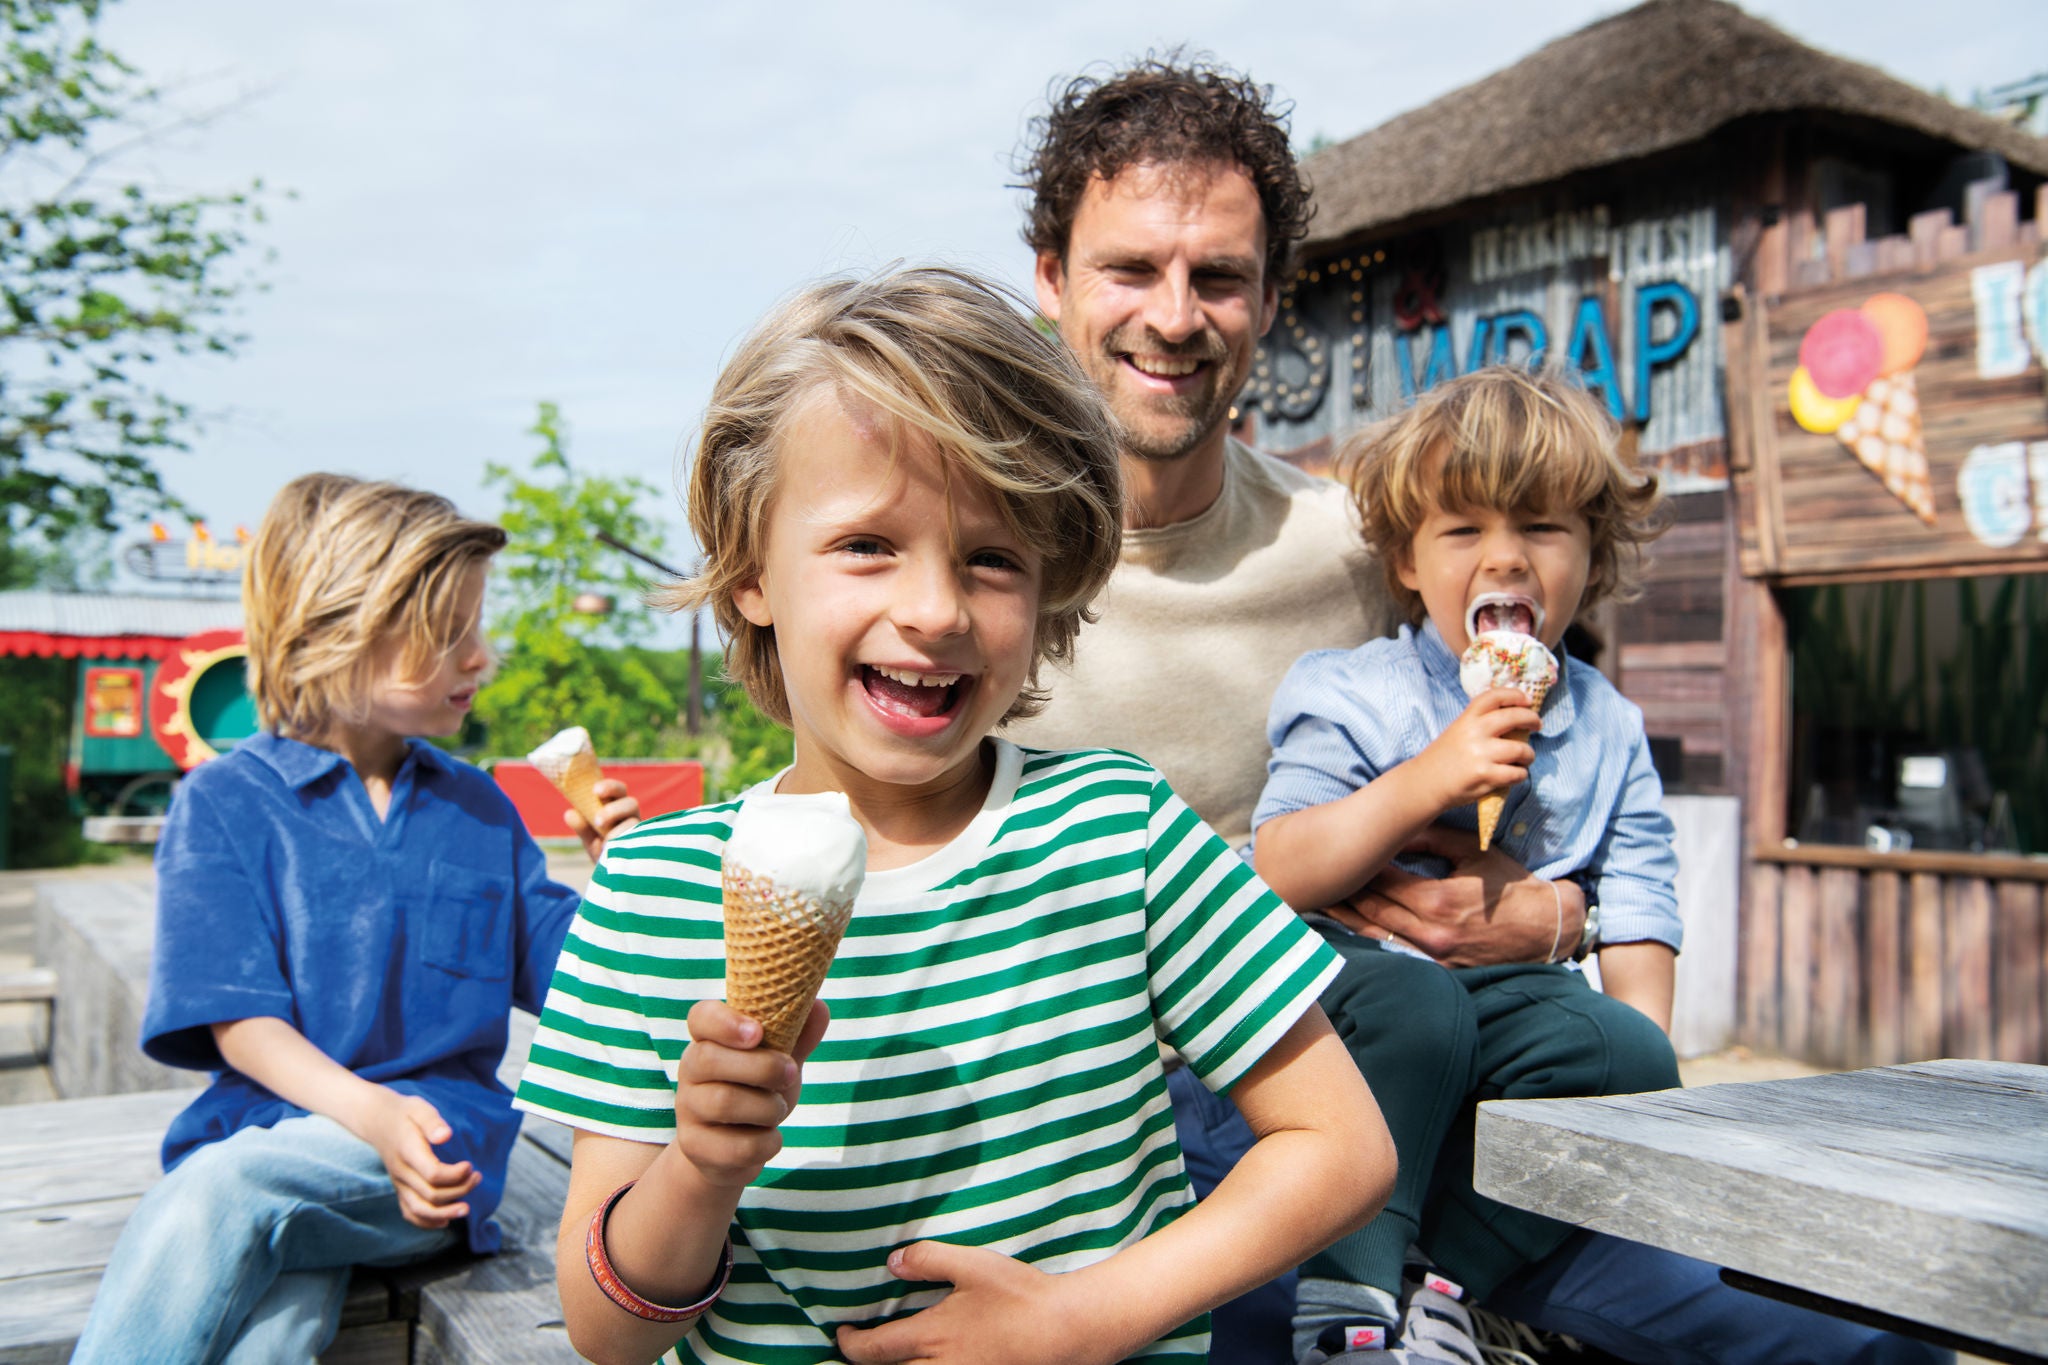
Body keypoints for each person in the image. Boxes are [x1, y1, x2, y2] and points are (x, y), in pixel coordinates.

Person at [1006, 53, 1950, 1365]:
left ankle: (1445, 1291)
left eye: (1218, 276)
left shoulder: (1365, 539)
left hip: (1430, 1060)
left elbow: (1570, 748)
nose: (1176, 316)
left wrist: (1549, 912)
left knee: (1871, 1343)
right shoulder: (975, 562)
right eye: (1131, 268)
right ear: (1049, 277)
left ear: (1271, 299)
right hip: (1149, 1106)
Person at [512, 266, 1393, 1365]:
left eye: (991, 560)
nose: (932, 611)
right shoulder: (647, 892)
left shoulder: (1119, 835)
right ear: (748, 572)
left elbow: (1340, 1147)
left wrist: (1089, 1318)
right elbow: (604, 1332)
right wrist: (700, 1166)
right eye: (866, 545)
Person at [71, 474, 642, 1362]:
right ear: (338, 629)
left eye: (476, 628)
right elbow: (241, 1022)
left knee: (225, 1197)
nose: (479, 656)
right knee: (273, 1330)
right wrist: (366, 1111)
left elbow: (585, 979)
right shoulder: (221, 803)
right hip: (268, 1141)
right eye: (448, 634)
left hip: (430, 1157)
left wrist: (627, 883)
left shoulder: (481, 809)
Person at [1251, 366, 1684, 1360]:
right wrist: (1425, 776)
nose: (1506, 559)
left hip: (1502, 1003)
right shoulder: (1356, 691)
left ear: (1590, 555)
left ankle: (1440, 1285)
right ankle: (1345, 1302)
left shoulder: (1609, 724)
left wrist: (1643, 1070)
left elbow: (1638, 891)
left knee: (1624, 1052)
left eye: (1541, 528)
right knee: (1418, 1007)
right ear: (1406, 561)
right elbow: (1276, 863)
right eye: (1463, 532)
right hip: (1349, 993)